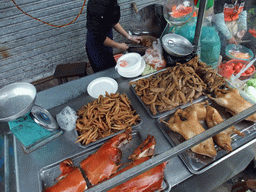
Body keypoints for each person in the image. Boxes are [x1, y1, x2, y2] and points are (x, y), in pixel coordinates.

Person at [86, 0, 142, 73]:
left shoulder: (110, 2)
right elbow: (99, 36)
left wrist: (129, 36)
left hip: (106, 37)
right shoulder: (96, 6)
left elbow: (112, 21)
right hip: (96, 45)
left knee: (111, 66)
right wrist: (119, 46)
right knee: (104, 73)